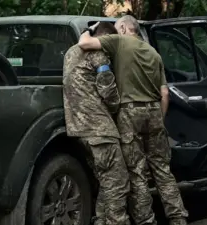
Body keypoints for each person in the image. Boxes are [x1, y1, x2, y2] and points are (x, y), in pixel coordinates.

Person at [77, 16, 189, 225]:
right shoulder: (154, 53)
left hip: (129, 113)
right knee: (163, 171)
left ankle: (146, 221)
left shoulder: (119, 42)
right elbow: (165, 94)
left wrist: (89, 28)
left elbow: (84, 43)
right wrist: (159, 121)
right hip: (154, 112)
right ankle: (178, 218)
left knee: (137, 172)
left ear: (123, 27)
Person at [63, 21, 131, 225]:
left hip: (77, 129)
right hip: (99, 129)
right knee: (118, 182)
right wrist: (118, 106)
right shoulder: (98, 54)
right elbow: (108, 90)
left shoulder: (70, 53)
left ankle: (101, 220)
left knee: (105, 180)